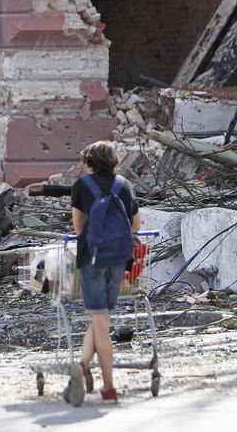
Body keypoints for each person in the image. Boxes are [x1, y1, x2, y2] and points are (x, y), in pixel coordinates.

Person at [70, 140, 140, 402]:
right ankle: (82, 364)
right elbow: (135, 226)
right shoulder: (124, 185)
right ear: (113, 162)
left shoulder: (82, 185)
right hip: (119, 259)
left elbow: (79, 229)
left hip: (92, 261)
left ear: (89, 163)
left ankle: (108, 385)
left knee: (100, 322)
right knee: (101, 319)